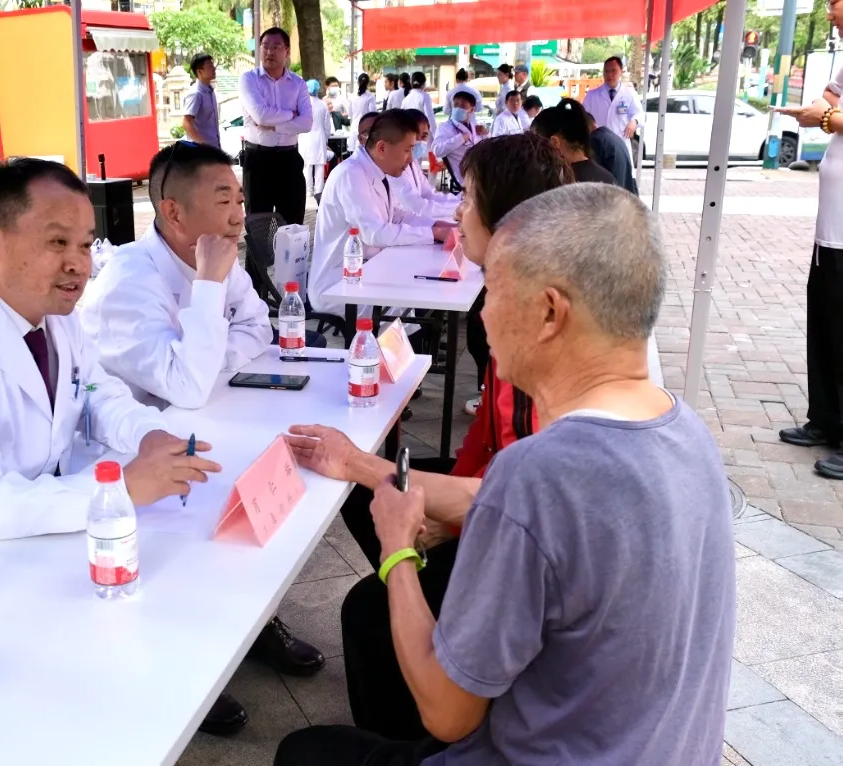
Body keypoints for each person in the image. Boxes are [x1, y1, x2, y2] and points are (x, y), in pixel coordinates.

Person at [275, 182, 735, 766]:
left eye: (491, 290)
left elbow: (448, 714)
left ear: (549, 312)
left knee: (305, 751)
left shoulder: (538, 475)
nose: (484, 314)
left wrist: (397, 551)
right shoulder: (688, 432)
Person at [0, 158, 221, 637]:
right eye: (57, 242)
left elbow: (97, 392)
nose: (78, 263)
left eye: (85, 244)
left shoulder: (53, 316)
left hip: (24, 546)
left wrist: (149, 434)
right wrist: (121, 488)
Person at [283, 134, 566, 742]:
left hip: (511, 530)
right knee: (368, 494)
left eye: (468, 198)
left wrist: (442, 515)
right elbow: (491, 454)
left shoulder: (531, 333)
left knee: (363, 607)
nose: (456, 210)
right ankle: (422, 610)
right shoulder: (520, 300)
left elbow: (517, 493)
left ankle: (420, 697)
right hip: (497, 499)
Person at [81, 142, 326, 734]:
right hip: (129, 452)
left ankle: (254, 623)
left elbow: (259, 327)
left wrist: (209, 357)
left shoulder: (216, 253)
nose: (240, 214)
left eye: (239, 199)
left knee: (262, 499)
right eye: (224, 201)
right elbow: (186, 387)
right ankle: (189, 665)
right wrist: (211, 289)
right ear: (173, 211)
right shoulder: (130, 281)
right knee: (195, 537)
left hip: (203, 419)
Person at [775, 4, 843, 479]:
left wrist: (828, 116)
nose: (831, 12)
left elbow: (833, 112)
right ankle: (827, 419)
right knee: (825, 321)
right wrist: (815, 111)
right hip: (831, 231)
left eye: (836, 3)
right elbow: (829, 99)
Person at [308, 110, 453, 318]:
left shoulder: (377, 172)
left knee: (421, 288)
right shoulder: (351, 175)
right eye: (407, 150)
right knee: (412, 299)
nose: (411, 158)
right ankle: (415, 338)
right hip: (339, 282)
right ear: (382, 147)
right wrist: (433, 234)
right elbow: (374, 233)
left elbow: (397, 215)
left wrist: (436, 225)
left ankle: (422, 336)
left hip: (368, 269)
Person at [239, 27, 311, 226]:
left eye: (276, 46)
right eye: (265, 46)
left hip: (289, 161)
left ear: (287, 51)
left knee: (292, 226)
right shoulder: (249, 79)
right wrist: (291, 115)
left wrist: (275, 126)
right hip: (258, 161)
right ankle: (260, 250)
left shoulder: (298, 84)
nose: (269, 51)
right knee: (258, 226)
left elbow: (307, 123)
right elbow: (260, 115)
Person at [531, 98, 618, 185]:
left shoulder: (557, 181)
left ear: (554, 142)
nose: (534, 151)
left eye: (535, 143)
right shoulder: (607, 178)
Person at [395, 109, 459, 219]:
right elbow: (418, 207)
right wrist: (459, 207)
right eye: (415, 135)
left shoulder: (413, 162)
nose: (419, 140)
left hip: (433, 163)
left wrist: (460, 201)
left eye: (424, 136)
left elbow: (428, 194)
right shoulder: (394, 167)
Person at [582, 55, 643, 154]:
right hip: (597, 146)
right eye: (606, 71)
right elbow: (583, 117)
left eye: (613, 71)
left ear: (621, 71)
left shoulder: (630, 94)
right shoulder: (592, 95)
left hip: (621, 145)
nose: (609, 75)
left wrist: (634, 121)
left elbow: (640, 114)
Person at [431, 90, 482, 191]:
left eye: (463, 106)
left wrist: (487, 134)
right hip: (460, 181)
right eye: (455, 105)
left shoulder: (474, 127)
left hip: (477, 177)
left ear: (471, 109)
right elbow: (437, 150)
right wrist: (460, 139)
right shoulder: (445, 128)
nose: (458, 108)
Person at [586, 109, 639, 194]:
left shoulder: (596, 140)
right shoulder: (610, 136)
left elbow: (593, 175)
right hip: (626, 192)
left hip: (614, 195)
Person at [298, 79, 333, 204]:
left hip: (305, 137)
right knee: (319, 165)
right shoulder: (323, 104)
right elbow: (327, 124)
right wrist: (326, 137)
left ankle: (308, 190)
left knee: (306, 165)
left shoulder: (302, 104)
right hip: (319, 138)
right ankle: (319, 190)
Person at [182, 53, 220, 147]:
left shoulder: (210, 91)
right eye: (209, 66)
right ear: (199, 72)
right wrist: (202, 145)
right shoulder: (196, 94)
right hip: (202, 150)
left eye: (213, 65)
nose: (214, 69)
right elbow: (186, 122)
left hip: (214, 147)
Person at [401, 71, 436, 139]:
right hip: (423, 135)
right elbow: (430, 118)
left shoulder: (405, 99)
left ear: (411, 83)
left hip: (410, 134)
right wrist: (435, 135)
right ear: (424, 84)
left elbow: (402, 118)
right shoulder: (424, 96)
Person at [348, 73, 377, 152]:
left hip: (354, 129)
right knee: (364, 153)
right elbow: (372, 114)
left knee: (353, 153)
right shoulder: (370, 96)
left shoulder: (352, 96)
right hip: (365, 130)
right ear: (368, 83)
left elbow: (350, 113)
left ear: (358, 82)